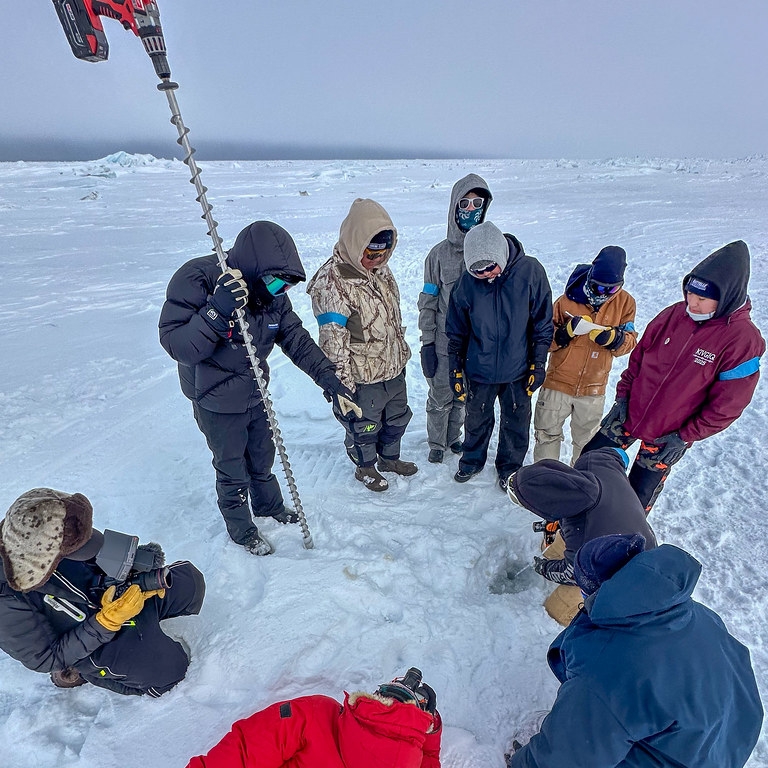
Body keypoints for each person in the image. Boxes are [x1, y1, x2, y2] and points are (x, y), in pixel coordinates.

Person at [160, 221, 351, 554]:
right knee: (232, 467)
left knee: (262, 456)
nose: (280, 291)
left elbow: (295, 338)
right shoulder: (198, 279)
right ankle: (241, 528)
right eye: (276, 282)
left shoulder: (272, 296)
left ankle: (268, 505)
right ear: (253, 269)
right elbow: (180, 345)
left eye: (287, 286)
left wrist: (329, 378)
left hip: (254, 391)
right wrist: (216, 310)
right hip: (214, 398)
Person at [506, 534, 763, 768]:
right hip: (727, 741)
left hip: (683, 755)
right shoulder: (693, 612)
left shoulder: (607, 669)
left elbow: (563, 759)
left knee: (582, 735)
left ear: (592, 591)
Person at [581, 240, 765, 512]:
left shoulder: (742, 341)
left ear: (728, 297)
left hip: (669, 435)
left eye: (702, 299)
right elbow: (639, 359)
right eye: (690, 293)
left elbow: (728, 405)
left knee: (635, 498)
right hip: (629, 412)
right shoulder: (673, 315)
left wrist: (685, 435)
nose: (693, 303)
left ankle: (616, 537)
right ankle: (564, 527)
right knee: (587, 465)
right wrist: (622, 397)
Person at [0, 488, 205, 696]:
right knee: (171, 672)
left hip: (109, 596)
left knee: (190, 582)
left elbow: (91, 553)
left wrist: (134, 565)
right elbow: (45, 658)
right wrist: (106, 622)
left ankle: (142, 625)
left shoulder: (34, 527)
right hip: (90, 640)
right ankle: (84, 673)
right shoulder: (5, 603)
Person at [307, 198, 417, 493]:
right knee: (364, 426)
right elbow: (333, 342)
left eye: (384, 253)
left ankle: (389, 459)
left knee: (396, 418)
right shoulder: (332, 282)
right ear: (355, 243)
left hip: (392, 367)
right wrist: (340, 386)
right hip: (361, 377)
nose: (378, 259)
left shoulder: (381, 271)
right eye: (370, 253)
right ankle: (365, 467)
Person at [445, 221, 552, 489]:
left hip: (518, 368)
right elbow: (456, 331)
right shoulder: (466, 284)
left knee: (516, 421)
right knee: (476, 418)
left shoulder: (530, 272)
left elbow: (542, 324)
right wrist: (455, 368)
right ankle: (472, 460)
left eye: (489, 267)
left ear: (500, 255)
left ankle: (510, 467)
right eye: (477, 270)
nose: (484, 274)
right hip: (479, 368)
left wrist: (538, 363)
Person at [186, 667, 442, 768]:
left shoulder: (318, 714)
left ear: (372, 699)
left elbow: (246, 751)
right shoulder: (413, 760)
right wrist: (427, 732)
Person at [533, 245, 637, 464]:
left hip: (593, 388)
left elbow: (630, 341)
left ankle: (580, 481)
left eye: (610, 290)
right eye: (597, 287)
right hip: (557, 383)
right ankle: (545, 478)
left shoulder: (626, 304)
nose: (602, 293)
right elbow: (543, 340)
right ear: (590, 276)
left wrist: (615, 339)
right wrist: (565, 333)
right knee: (546, 435)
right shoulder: (566, 300)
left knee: (586, 444)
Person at [418, 174, 493, 464]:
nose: (471, 209)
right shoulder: (437, 256)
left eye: (477, 203)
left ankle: (453, 437)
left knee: (463, 396)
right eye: (465, 203)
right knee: (441, 396)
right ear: (454, 207)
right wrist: (427, 342)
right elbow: (428, 301)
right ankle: (437, 442)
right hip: (443, 342)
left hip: (475, 345)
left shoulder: (491, 253)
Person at [507, 446, 656, 585]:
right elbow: (620, 454)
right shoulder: (594, 460)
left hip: (634, 568)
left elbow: (570, 574)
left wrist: (543, 568)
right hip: (638, 528)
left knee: (569, 596)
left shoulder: (583, 538)